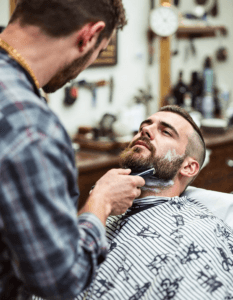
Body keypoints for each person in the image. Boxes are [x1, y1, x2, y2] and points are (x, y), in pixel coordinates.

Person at [0, 1, 145, 299]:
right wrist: (101, 202)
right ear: (89, 35)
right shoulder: (32, 128)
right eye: (98, 52)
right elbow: (60, 281)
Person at [75, 105, 233, 300]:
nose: (145, 130)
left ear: (189, 167)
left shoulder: (203, 233)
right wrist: (98, 201)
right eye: (144, 126)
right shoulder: (101, 206)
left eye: (165, 131)